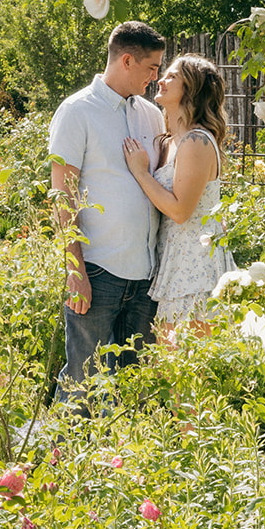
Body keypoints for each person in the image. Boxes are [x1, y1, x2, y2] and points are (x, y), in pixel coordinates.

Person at [48, 21, 166, 403]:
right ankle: (61, 459)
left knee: (136, 390)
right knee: (82, 381)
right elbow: (61, 195)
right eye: (151, 67)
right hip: (98, 272)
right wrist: (74, 268)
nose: (156, 76)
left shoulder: (151, 115)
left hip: (146, 275)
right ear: (127, 60)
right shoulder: (77, 111)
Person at [122, 54, 235, 334]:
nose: (161, 80)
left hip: (195, 265)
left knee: (192, 364)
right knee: (172, 367)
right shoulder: (171, 141)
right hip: (175, 259)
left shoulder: (197, 141)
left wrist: (141, 173)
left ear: (192, 89)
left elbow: (180, 211)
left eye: (172, 76)